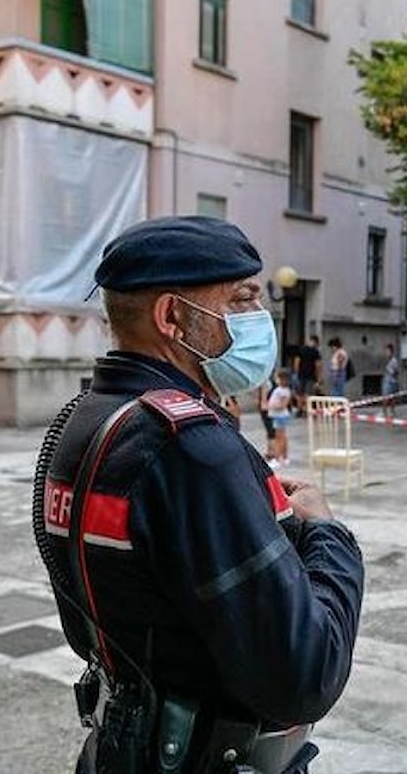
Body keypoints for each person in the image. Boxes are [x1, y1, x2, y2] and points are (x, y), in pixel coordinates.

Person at [31, 216, 364, 773]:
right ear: (173, 318)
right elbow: (305, 674)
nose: (259, 320)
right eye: (241, 300)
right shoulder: (192, 448)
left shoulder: (84, 420)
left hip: (119, 748)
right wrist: (327, 534)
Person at [266, 368, 294, 467]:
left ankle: (277, 459)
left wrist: (270, 406)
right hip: (278, 416)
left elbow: (282, 405)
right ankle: (285, 457)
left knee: (279, 438)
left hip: (279, 416)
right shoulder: (281, 390)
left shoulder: (284, 391)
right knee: (282, 437)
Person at [292, 336, 322, 416]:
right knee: (308, 394)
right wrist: (318, 377)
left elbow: (297, 361)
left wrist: (296, 372)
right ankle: (306, 410)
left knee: (300, 393)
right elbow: (318, 365)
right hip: (311, 376)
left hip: (301, 375)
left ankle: (299, 409)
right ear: (316, 342)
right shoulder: (316, 352)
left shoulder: (301, 349)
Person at [380, 343, 399, 419]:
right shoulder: (388, 360)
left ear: (391, 351)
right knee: (387, 397)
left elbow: (396, 372)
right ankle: (386, 412)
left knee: (390, 398)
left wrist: (393, 376)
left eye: (387, 351)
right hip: (388, 380)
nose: (386, 353)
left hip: (390, 381)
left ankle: (390, 412)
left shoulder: (394, 361)